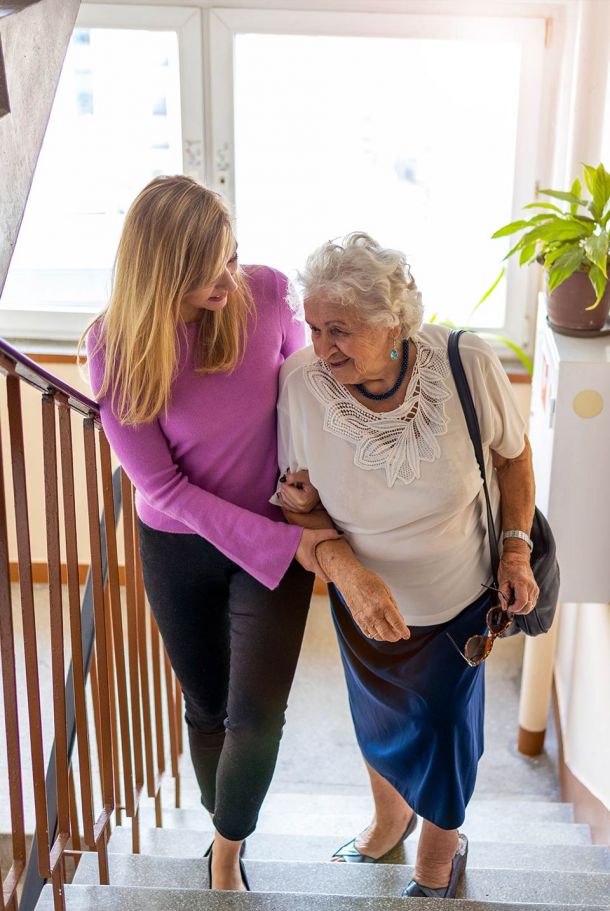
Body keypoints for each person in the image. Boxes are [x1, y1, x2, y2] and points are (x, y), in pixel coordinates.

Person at [85, 175, 339, 892]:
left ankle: (227, 849)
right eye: (210, 270)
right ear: (164, 271)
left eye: (232, 256)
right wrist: (286, 545)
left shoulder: (262, 292)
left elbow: (303, 385)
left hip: (272, 531)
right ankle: (222, 815)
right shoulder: (115, 347)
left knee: (257, 715)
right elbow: (162, 487)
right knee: (207, 707)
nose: (230, 277)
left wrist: (306, 484)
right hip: (181, 546)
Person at [274, 232, 539, 899]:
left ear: (393, 323)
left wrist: (515, 546)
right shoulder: (301, 385)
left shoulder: (464, 360)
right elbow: (299, 504)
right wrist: (346, 570)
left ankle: (436, 862)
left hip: (460, 603)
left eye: (341, 329)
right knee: (381, 721)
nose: (322, 345)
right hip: (363, 602)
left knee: (446, 732)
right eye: (312, 326)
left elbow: (513, 456)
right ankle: (390, 819)